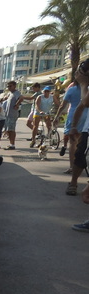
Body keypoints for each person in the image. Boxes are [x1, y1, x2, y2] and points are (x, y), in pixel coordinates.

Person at [66, 67, 89, 198]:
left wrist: (83, 83)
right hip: (86, 130)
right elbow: (81, 106)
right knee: (80, 156)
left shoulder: (85, 86)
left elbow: (86, 102)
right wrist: (74, 126)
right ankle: (73, 182)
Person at [54, 80, 87, 173]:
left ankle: (72, 166)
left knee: (73, 142)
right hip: (86, 115)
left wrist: (57, 116)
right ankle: (80, 164)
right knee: (81, 141)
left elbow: (62, 105)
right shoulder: (87, 89)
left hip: (73, 115)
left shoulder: (72, 89)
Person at [3, 81, 24, 150]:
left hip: (12, 114)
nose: (9, 87)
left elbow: (21, 98)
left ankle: (12, 144)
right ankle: (11, 143)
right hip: (8, 114)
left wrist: (17, 105)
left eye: (10, 86)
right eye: (8, 86)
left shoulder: (16, 93)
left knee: (11, 130)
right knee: (8, 130)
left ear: (14, 86)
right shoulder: (10, 93)